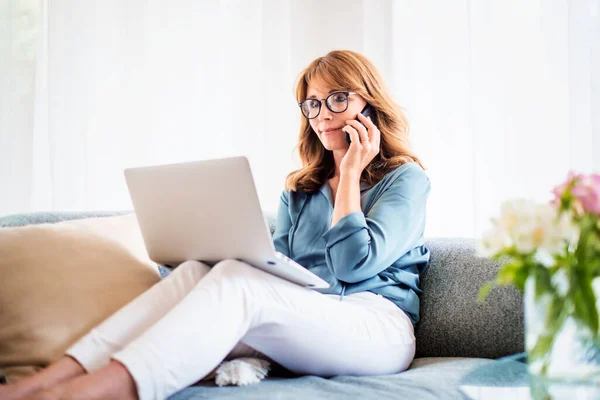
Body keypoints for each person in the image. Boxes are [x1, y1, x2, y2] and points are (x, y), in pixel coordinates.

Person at [0, 49, 431, 400]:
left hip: (377, 325)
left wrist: (352, 173)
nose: (323, 114)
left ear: (369, 104)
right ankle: (42, 382)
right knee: (201, 272)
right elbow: (282, 267)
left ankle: (89, 394)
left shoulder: (405, 179)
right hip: (311, 316)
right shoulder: (300, 190)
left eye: (339, 98)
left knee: (238, 285)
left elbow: (353, 265)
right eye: (313, 103)